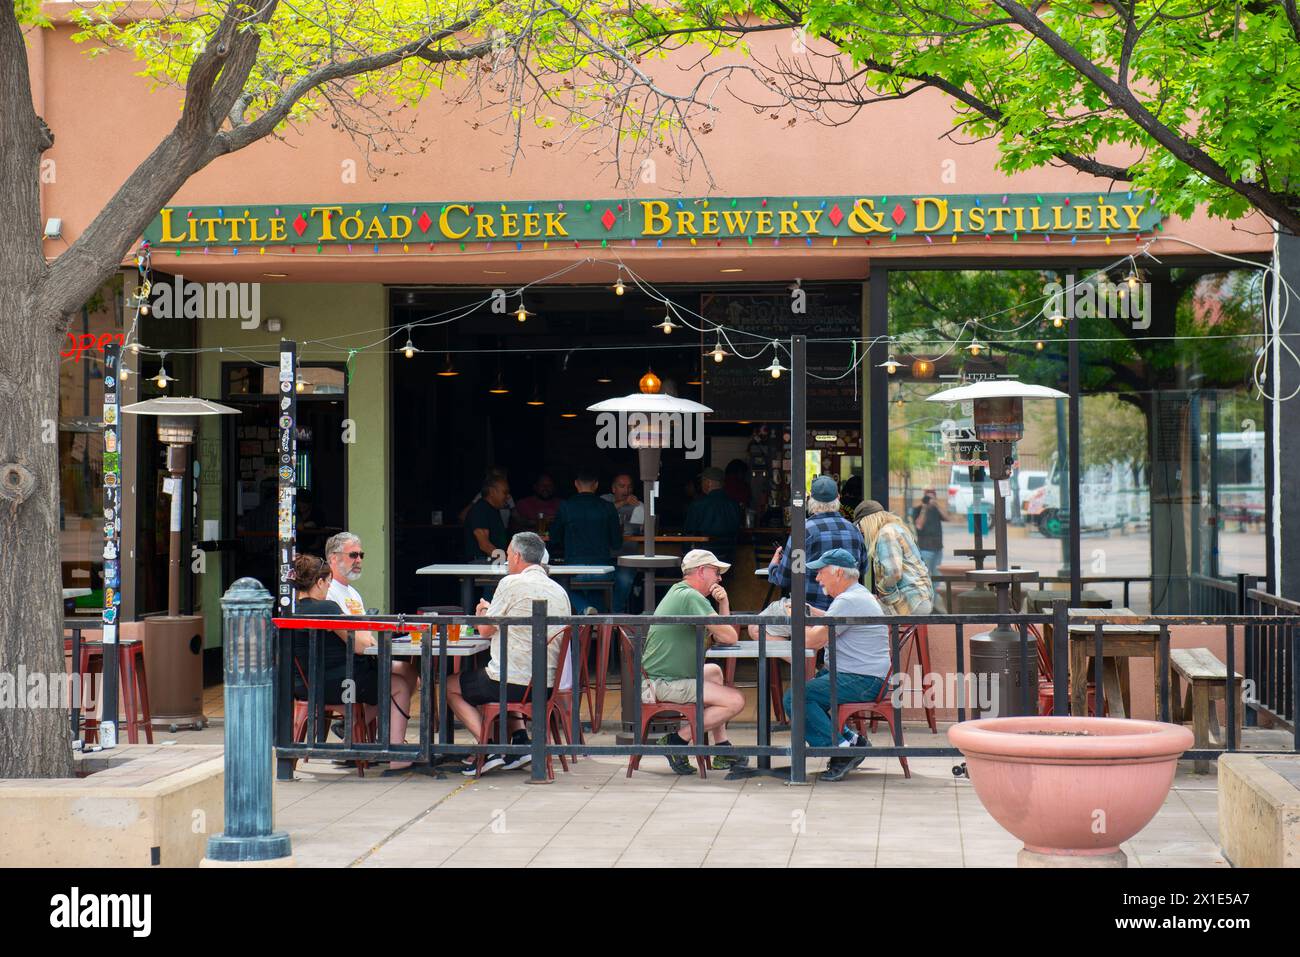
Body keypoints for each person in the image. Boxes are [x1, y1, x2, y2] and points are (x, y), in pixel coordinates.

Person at [446, 532, 572, 775]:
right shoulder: (559, 590)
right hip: (545, 685)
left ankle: (489, 748)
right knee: (507, 668)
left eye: (507, 555)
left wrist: (483, 610)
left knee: (449, 685)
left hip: (513, 682)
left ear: (516, 555)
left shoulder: (510, 584)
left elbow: (484, 630)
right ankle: (522, 742)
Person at [780, 548, 891, 782]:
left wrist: (792, 618)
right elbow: (832, 619)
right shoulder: (857, 595)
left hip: (863, 680)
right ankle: (852, 742)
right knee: (810, 692)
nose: (818, 578)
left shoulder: (848, 601)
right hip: (864, 675)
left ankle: (839, 751)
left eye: (821, 572)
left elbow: (813, 641)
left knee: (797, 697)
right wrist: (810, 611)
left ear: (838, 572)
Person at [325, 532, 427, 775]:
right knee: (399, 685)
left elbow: (365, 635)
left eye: (361, 555)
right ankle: (394, 752)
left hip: (359, 663)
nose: (358, 559)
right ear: (332, 559)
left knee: (408, 670)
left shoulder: (352, 592)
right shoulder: (330, 593)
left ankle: (364, 734)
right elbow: (359, 640)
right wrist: (367, 640)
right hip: (344, 672)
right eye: (353, 555)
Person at [640, 549, 746, 772]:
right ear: (701, 571)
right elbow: (730, 636)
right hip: (663, 684)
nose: (719, 578)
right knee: (735, 701)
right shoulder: (690, 597)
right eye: (716, 572)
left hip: (664, 678)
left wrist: (724, 603)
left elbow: (723, 636)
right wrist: (723, 608)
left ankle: (721, 748)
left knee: (715, 672)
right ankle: (676, 741)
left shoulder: (681, 593)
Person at [290, 553, 381, 725]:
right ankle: (359, 730)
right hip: (342, 686)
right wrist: (367, 628)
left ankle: (354, 726)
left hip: (302, 687)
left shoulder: (290, 612)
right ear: (319, 582)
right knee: (396, 684)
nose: (330, 586)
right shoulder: (326, 608)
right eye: (328, 581)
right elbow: (361, 646)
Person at [767, 475, 868, 611]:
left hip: (810, 613)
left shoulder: (802, 531)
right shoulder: (854, 530)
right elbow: (862, 570)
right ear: (838, 498)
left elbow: (785, 579)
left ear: (810, 500)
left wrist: (773, 566)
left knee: (755, 628)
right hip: (846, 612)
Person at [549, 467, 622, 611]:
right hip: (603, 571)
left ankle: (584, 608)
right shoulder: (608, 507)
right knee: (600, 589)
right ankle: (596, 621)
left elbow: (554, 538)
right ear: (596, 485)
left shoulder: (566, 507)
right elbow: (616, 543)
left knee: (556, 581)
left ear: (576, 484)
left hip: (573, 570)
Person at [855, 500, 935, 616]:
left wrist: (883, 593)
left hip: (910, 601)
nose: (861, 530)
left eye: (860, 525)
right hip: (919, 599)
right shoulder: (895, 528)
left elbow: (894, 573)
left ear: (868, 521)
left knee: (859, 613)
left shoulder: (886, 534)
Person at [684, 466, 742, 565]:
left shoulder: (698, 505)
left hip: (702, 558)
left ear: (708, 482)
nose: (701, 484)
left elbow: (689, 532)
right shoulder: (734, 505)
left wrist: (684, 552)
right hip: (728, 556)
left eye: (703, 481)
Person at [602, 472, 642, 611]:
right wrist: (623, 503)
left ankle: (615, 616)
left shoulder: (638, 505)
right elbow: (602, 511)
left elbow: (645, 529)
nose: (626, 490)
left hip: (628, 556)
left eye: (629, 487)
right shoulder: (604, 501)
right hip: (605, 555)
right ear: (613, 488)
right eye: (622, 486)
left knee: (625, 581)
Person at [464, 474, 511, 562]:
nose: (508, 496)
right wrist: (507, 561)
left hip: (491, 562)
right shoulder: (481, 509)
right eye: (505, 492)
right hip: (481, 564)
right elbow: (484, 545)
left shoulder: (492, 510)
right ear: (492, 492)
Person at [911, 488, 947, 580]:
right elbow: (919, 525)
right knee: (925, 575)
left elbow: (947, 518)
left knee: (937, 576)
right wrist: (924, 507)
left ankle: (934, 594)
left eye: (933, 498)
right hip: (925, 549)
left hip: (938, 548)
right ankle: (928, 594)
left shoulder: (936, 510)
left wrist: (937, 505)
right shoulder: (918, 510)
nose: (930, 500)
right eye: (928, 498)